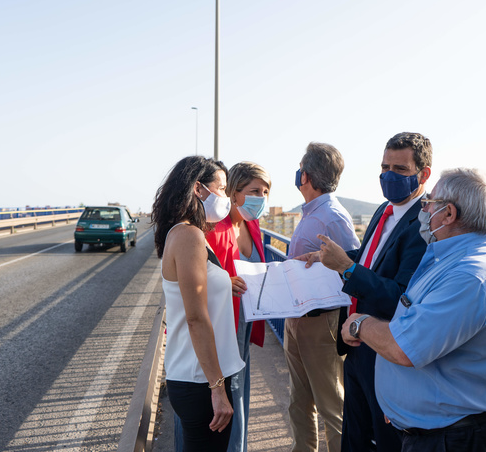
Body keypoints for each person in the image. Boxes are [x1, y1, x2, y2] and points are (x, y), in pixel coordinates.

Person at [336, 167, 486, 452]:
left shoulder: (470, 275)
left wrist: (360, 324)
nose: (424, 209)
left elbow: (404, 347)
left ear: (449, 214)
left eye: (430, 202)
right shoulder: (451, 256)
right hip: (436, 432)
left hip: (450, 439)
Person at [299, 132, 431, 452]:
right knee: (354, 438)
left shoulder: (425, 223)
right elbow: (373, 258)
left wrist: (346, 266)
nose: (388, 175)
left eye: (399, 169)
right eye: (384, 166)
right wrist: (329, 259)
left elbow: (398, 294)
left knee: (382, 441)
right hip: (355, 344)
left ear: (423, 174)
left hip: (383, 353)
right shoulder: (383, 211)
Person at [152, 156, 245, 452]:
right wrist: (217, 388)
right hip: (200, 379)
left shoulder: (190, 234)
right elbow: (195, 317)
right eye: (221, 188)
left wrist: (223, 283)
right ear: (198, 189)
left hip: (200, 375)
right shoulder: (189, 235)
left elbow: (193, 289)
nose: (226, 197)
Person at [285, 142, 359, 452]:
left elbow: (354, 265)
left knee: (332, 408)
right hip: (298, 318)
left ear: (307, 176)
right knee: (299, 404)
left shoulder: (332, 216)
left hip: (321, 322)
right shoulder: (314, 212)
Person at [205, 161, 271, 452]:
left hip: (245, 325)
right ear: (233, 192)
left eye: (266, 191)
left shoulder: (252, 225)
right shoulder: (213, 231)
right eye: (255, 190)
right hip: (221, 327)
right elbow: (194, 282)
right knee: (225, 397)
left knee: (240, 393)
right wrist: (222, 282)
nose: (262, 198)